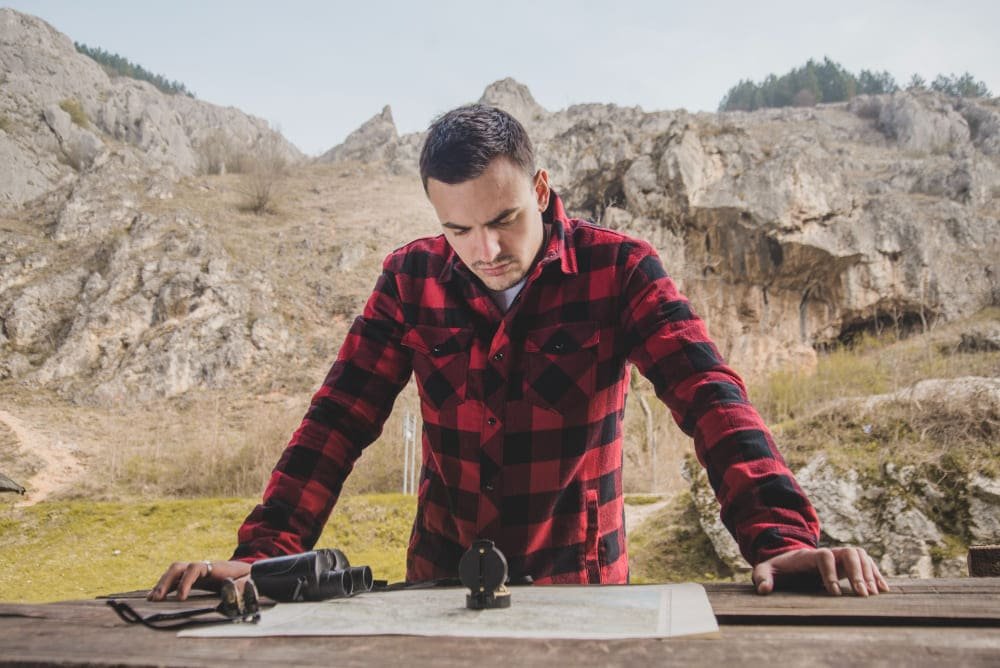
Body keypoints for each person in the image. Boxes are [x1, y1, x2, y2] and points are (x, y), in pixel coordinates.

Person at [149, 104, 888, 602]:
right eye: (459, 230)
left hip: (583, 596)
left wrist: (780, 539)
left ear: (540, 187)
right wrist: (264, 554)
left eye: (504, 219)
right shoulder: (408, 280)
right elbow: (334, 423)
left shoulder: (621, 269)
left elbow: (712, 399)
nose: (486, 250)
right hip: (439, 591)